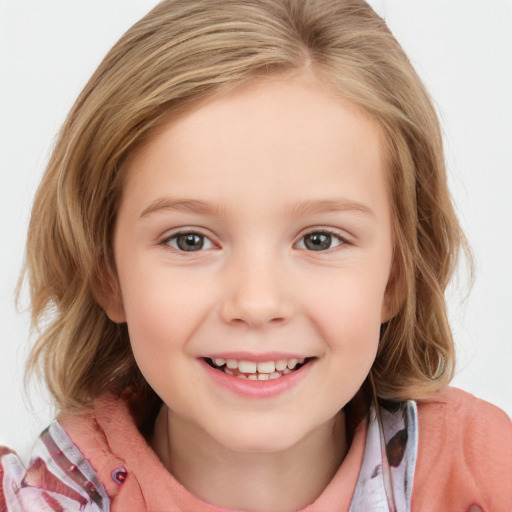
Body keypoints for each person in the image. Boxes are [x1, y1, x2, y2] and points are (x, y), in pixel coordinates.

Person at [1, 0, 510, 510]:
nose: (257, 302)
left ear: (398, 275)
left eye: (319, 240)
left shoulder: (486, 474)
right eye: (190, 240)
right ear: (106, 273)